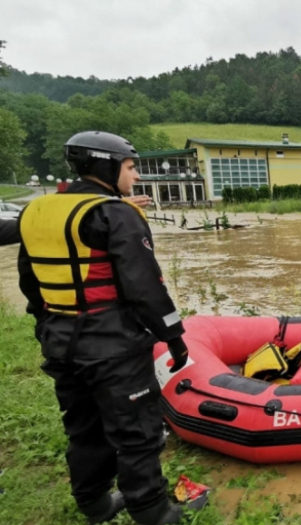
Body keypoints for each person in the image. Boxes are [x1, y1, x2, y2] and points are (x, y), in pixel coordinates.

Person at [17, 131, 202, 525]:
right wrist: (174, 336)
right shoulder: (116, 214)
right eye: (131, 167)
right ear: (107, 165)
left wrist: (45, 327)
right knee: (136, 430)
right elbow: (145, 288)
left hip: (61, 341)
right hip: (112, 344)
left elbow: (29, 281)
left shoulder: (38, 212)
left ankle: (95, 504)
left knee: (83, 427)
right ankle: (153, 512)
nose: (135, 176)